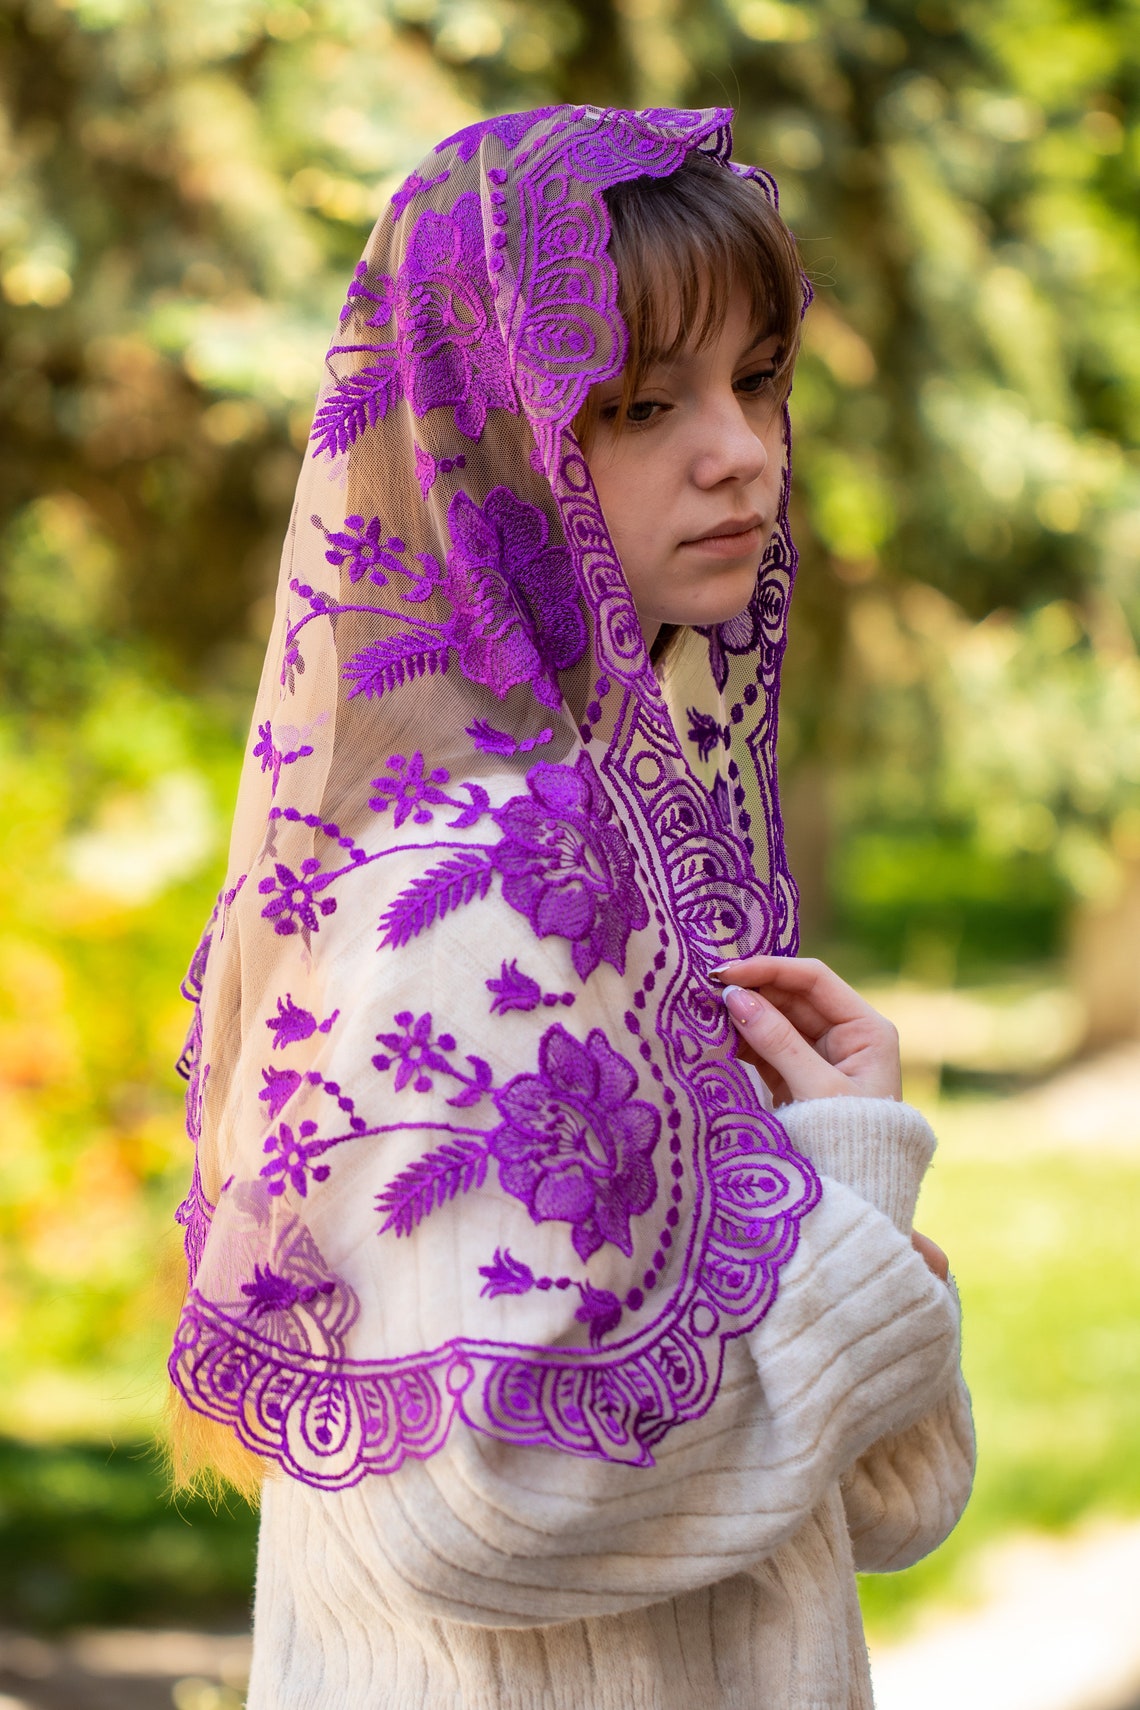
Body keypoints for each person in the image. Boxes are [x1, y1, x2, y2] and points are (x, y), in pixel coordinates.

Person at [169, 105, 973, 1709]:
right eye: (642, 402)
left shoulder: (617, 848)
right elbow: (481, 1503)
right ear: (492, 439)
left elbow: (880, 1498)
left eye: (759, 378)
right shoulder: (478, 890)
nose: (742, 451)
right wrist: (849, 1201)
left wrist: (840, 1186)